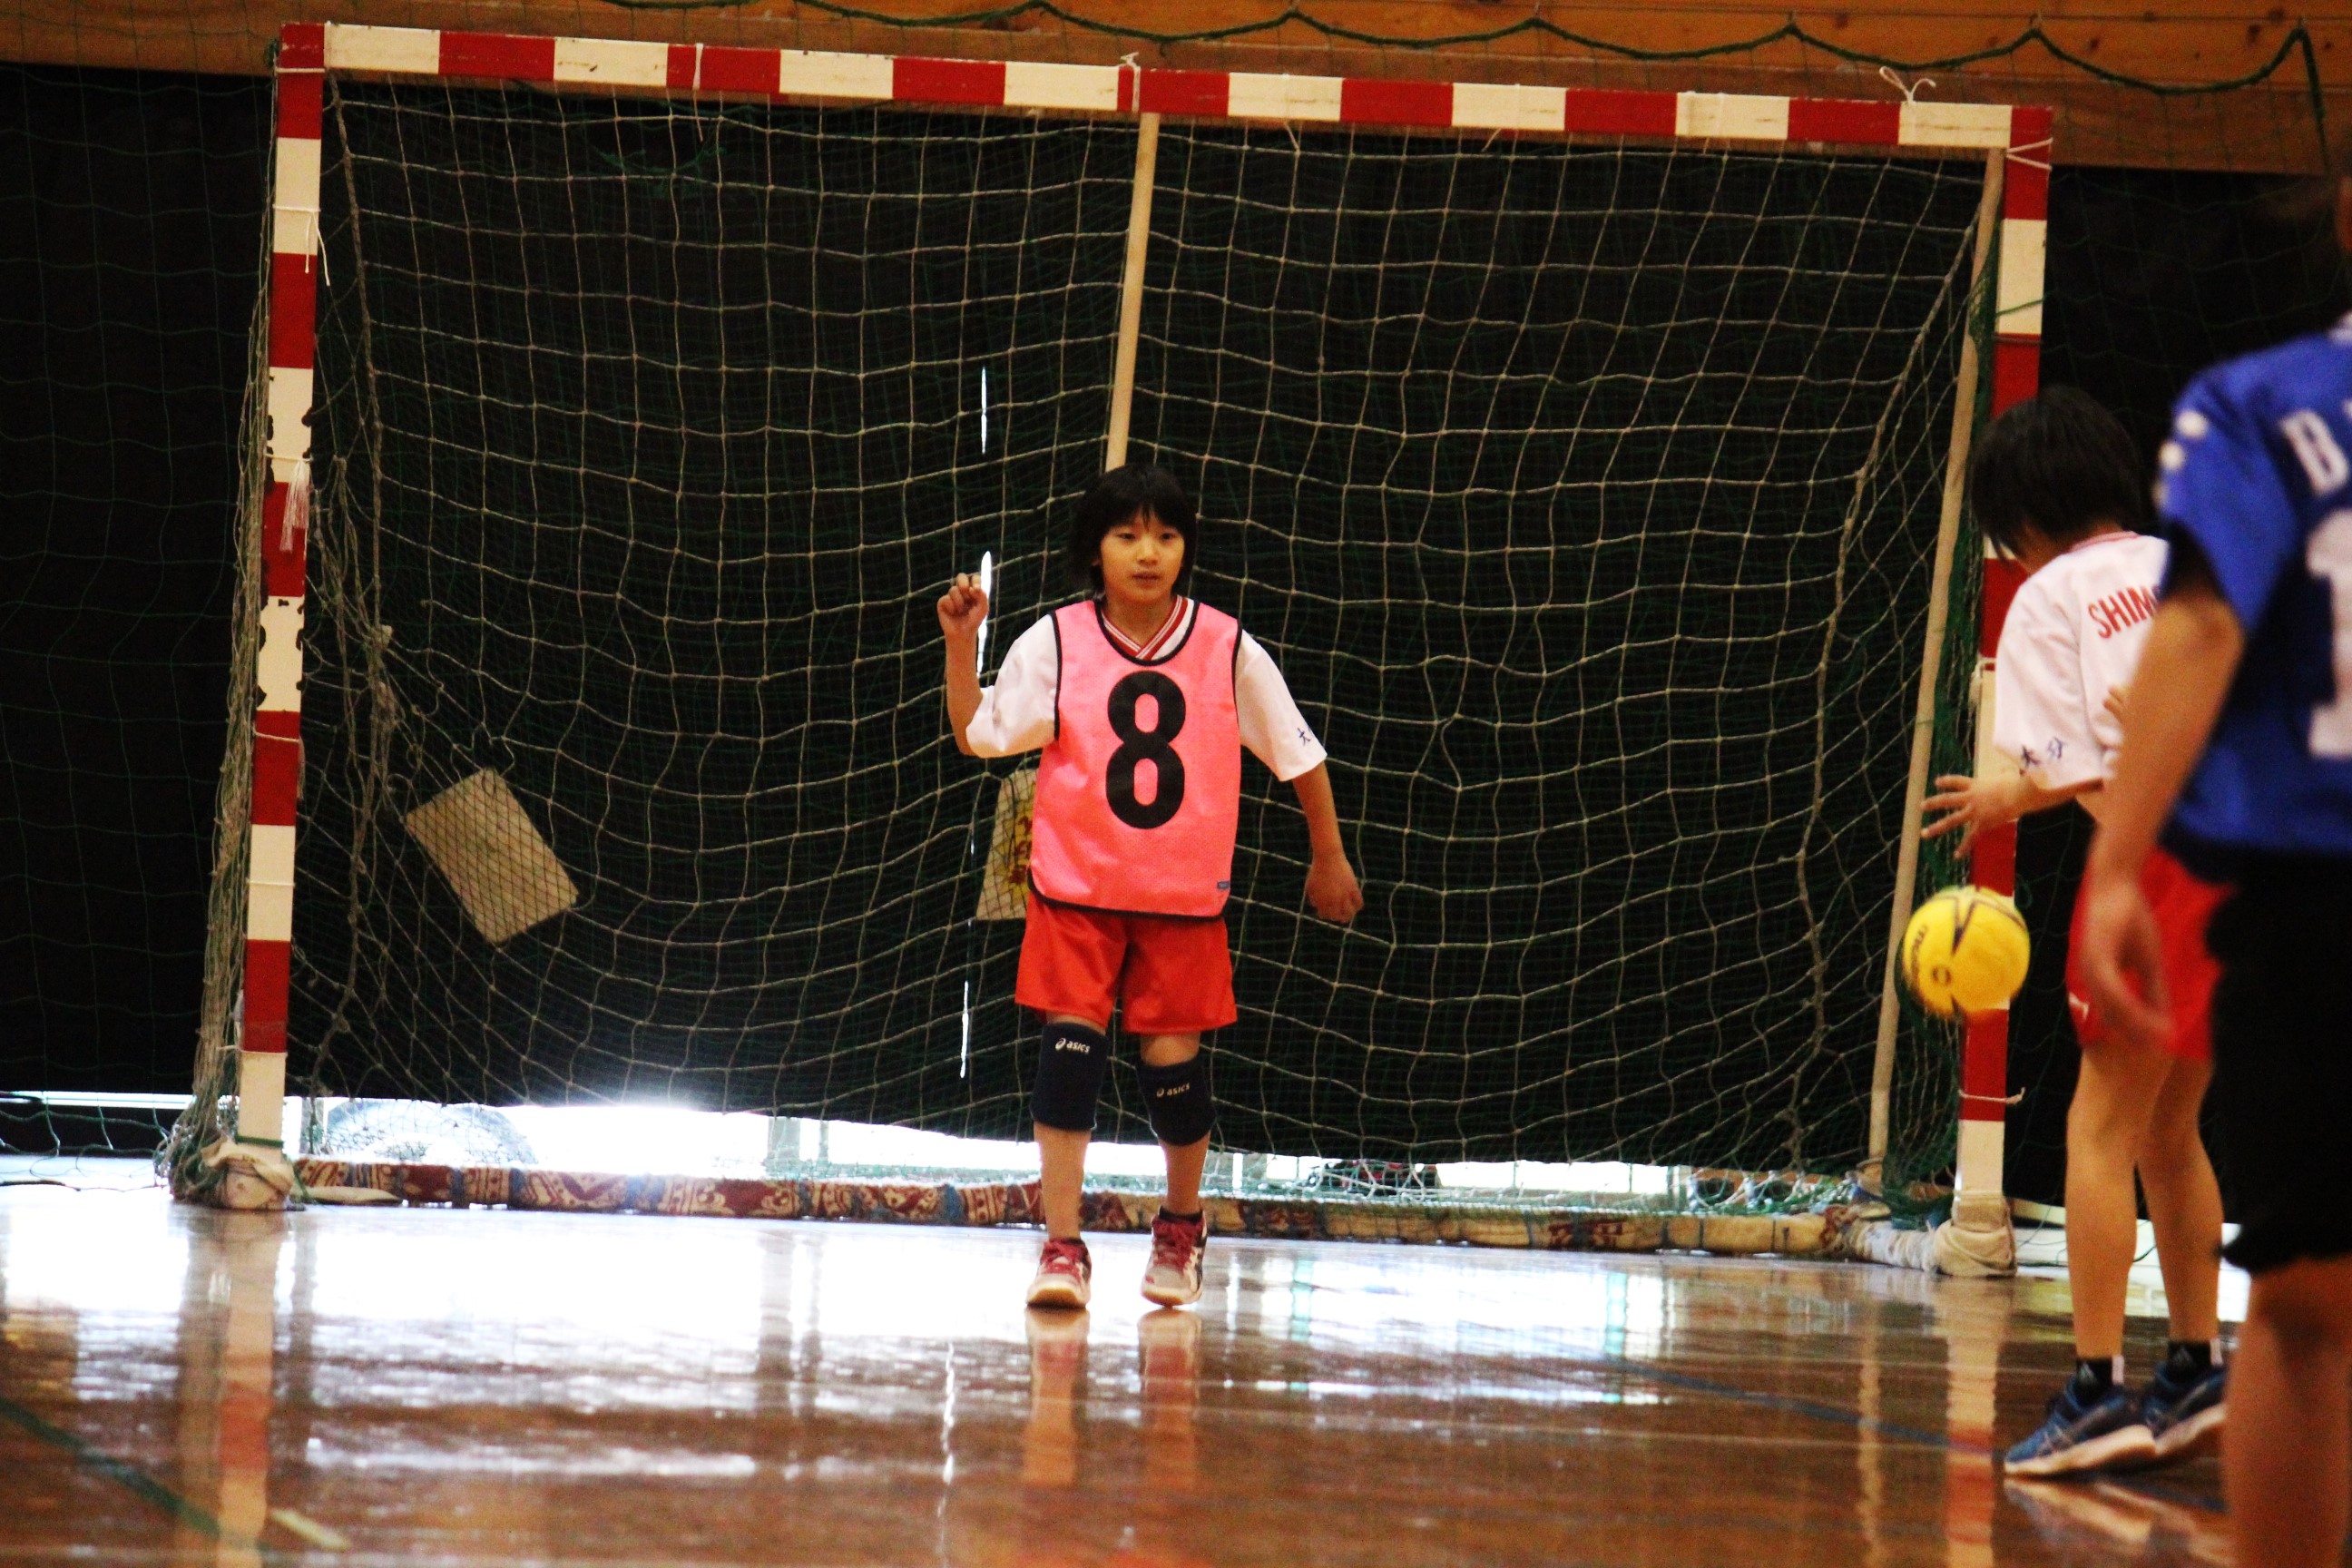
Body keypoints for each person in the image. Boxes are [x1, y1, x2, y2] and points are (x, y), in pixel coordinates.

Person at [937, 464, 1364, 1309]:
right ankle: (1063, 1247)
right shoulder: (1056, 640)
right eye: (1127, 535)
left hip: (1180, 901)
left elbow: (1299, 754)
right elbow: (976, 733)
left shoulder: (1226, 646)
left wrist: (1329, 853)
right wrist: (961, 645)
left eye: (1166, 536)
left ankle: (1181, 1221)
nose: (1148, 553)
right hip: (1076, 892)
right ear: (1094, 550)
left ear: (1185, 550)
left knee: (1173, 1077)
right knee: (1067, 1066)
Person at [2077, 258, 2352, 1562]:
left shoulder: (2269, 405)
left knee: (2307, 1312)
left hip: (2319, 894)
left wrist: (2119, 864)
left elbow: (2199, 630)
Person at [1921, 387, 2227, 1477]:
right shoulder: (2192, 564)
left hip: (2156, 867)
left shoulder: (2048, 596)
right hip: (2253, 865)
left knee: (2097, 1130)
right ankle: (2195, 1365)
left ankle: (2098, 1392)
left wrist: (2010, 793)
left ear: (2019, 525)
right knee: (2170, 1128)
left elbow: (2077, 761)